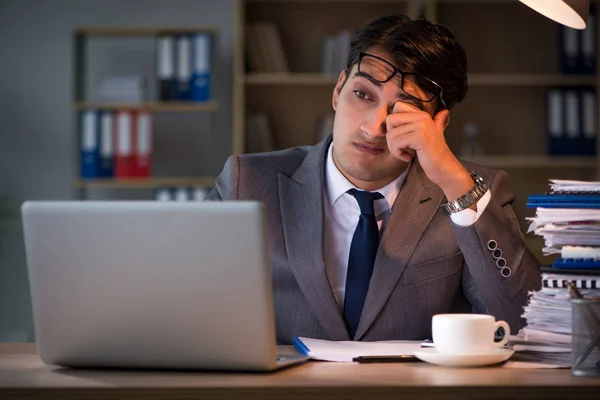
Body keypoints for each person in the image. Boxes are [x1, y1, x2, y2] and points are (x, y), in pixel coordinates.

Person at [207, 14, 541, 344]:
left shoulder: (472, 191)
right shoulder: (247, 183)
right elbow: (190, 306)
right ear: (338, 90)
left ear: (438, 124)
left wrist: (454, 183)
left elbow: (525, 325)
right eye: (363, 95)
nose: (373, 127)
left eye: (404, 109)